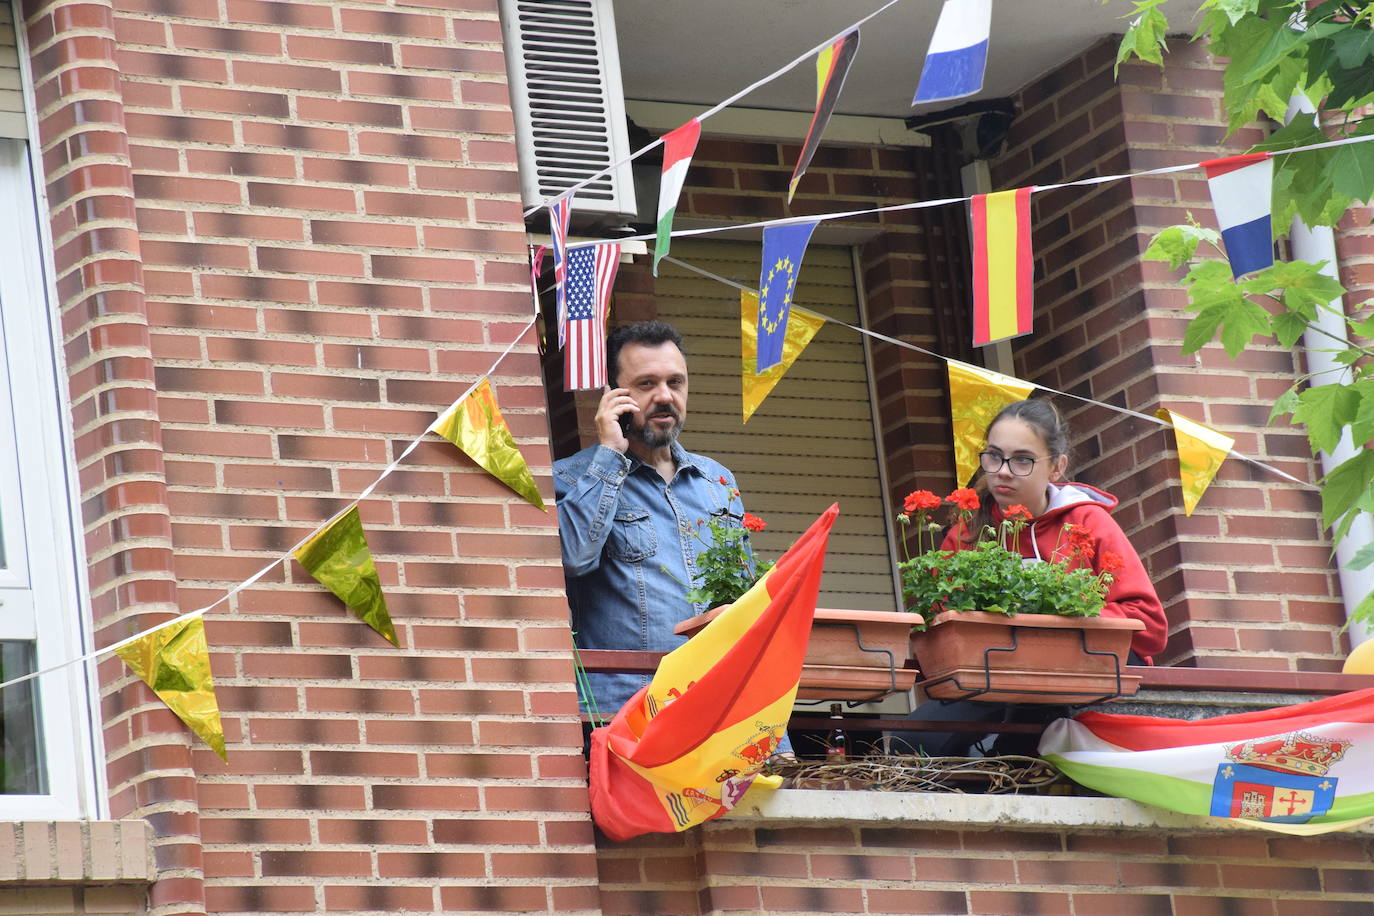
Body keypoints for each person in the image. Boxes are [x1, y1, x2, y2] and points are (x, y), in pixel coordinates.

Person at [890, 398, 1166, 756]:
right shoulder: (967, 531)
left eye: (1022, 459)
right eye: (993, 456)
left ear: (1056, 467)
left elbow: (1151, 627)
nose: (1003, 471)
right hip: (992, 679)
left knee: (1028, 740)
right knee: (908, 744)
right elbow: (940, 629)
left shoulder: (1087, 520)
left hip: (1082, 680)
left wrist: (1061, 623)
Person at [554, 320, 755, 720]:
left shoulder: (716, 481)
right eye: (646, 384)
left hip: (720, 706)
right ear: (614, 395)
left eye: (675, 383)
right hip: (628, 712)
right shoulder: (570, 478)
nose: (665, 396)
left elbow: (746, 601)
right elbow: (573, 558)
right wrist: (610, 453)